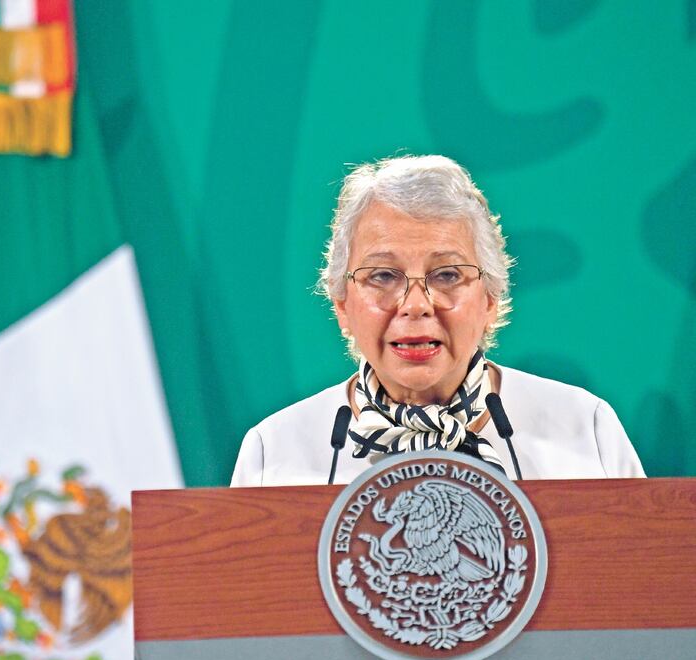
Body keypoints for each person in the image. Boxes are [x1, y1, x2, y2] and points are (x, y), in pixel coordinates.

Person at [231, 155, 644, 486]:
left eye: (447, 275)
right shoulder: (274, 452)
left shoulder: (585, 429)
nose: (416, 305)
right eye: (383, 276)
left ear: (490, 299)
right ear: (341, 304)